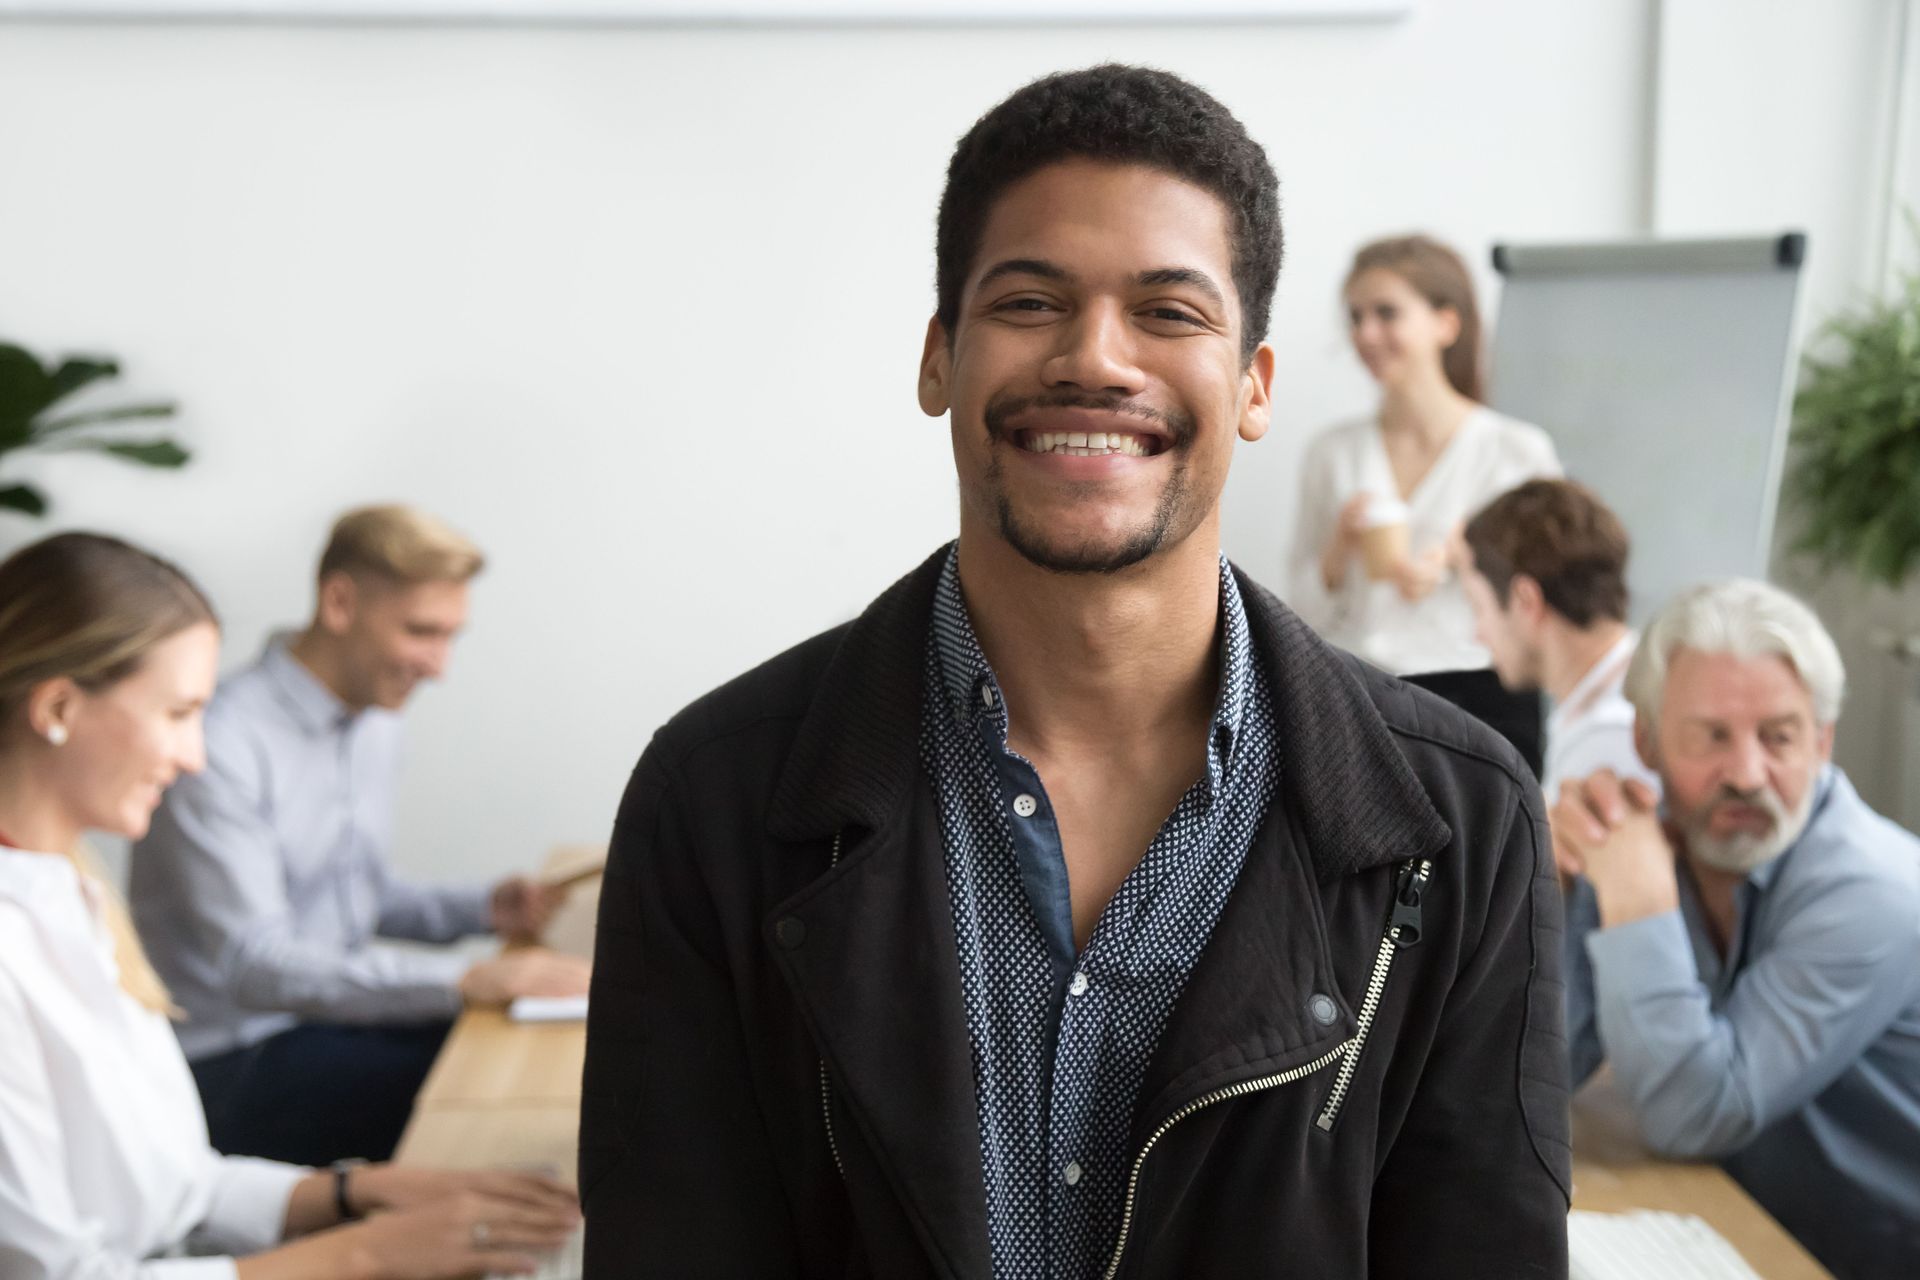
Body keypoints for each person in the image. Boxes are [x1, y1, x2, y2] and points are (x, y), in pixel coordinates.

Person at [580, 65, 1569, 1279]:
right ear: (940, 358)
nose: (1095, 359)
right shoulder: (717, 798)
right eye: (1032, 301)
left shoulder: (1461, 820)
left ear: (1254, 384)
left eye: (1169, 311)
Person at [0, 531, 579, 1279]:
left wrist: (356, 1191)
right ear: (57, 707)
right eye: (178, 712)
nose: (193, 757)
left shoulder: (71, 893)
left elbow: (182, 1185)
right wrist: (361, 1253)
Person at [132, 505, 590, 1168]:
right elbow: (257, 964)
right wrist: (467, 978)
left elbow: (353, 901)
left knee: (516, 1048)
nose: (439, 666)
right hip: (232, 1060)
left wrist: (482, 909)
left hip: (323, 1025)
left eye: (451, 636)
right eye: (421, 632)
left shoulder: (376, 720)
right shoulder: (224, 743)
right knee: (493, 1086)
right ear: (340, 602)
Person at [1554, 580, 1920, 1280]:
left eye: (1779, 737)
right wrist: (1555, 883)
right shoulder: (1662, 848)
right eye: (1711, 736)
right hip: (1754, 1230)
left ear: (1823, 741)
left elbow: (1693, 1115)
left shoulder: (1878, 892)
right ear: (1647, 741)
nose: (1748, 774)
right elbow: (1539, 1070)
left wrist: (1635, 897)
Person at [1288, 234, 1561, 677]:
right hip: (1355, 688)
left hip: (1474, 692)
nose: (1365, 333)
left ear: (1446, 324)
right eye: (1356, 317)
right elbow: (1300, 611)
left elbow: (1549, 603)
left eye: (1386, 313)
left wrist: (1469, 557)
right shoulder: (1332, 454)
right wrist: (1338, 550)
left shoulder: (1516, 452)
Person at [1458, 478, 1659, 806]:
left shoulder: (1606, 743)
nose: (1477, 634)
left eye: (1479, 607)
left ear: (1526, 601)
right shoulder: (1610, 692)